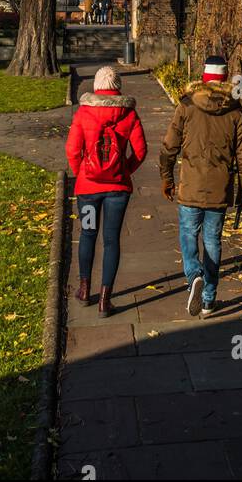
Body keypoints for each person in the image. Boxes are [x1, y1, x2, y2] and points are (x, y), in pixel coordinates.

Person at [159, 53, 242, 318]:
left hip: (190, 185)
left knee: (188, 234)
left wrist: (167, 177)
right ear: (224, 78)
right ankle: (209, 300)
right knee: (213, 240)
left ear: (203, 76)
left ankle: (194, 275)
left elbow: (169, 147)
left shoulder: (187, 107)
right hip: (220, 188)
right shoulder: (236, 111)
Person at [65, 65, 147, 315]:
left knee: (88, 233)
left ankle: (83, 289)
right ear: (118, 86)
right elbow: (141, 151)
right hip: (117, 191)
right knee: (111, 241)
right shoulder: (129, 114)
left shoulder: (83, 113)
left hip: (88, 190)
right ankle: (104, 299)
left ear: (97, 86)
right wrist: (123, 170)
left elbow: (72, 150)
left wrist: (83, 174)